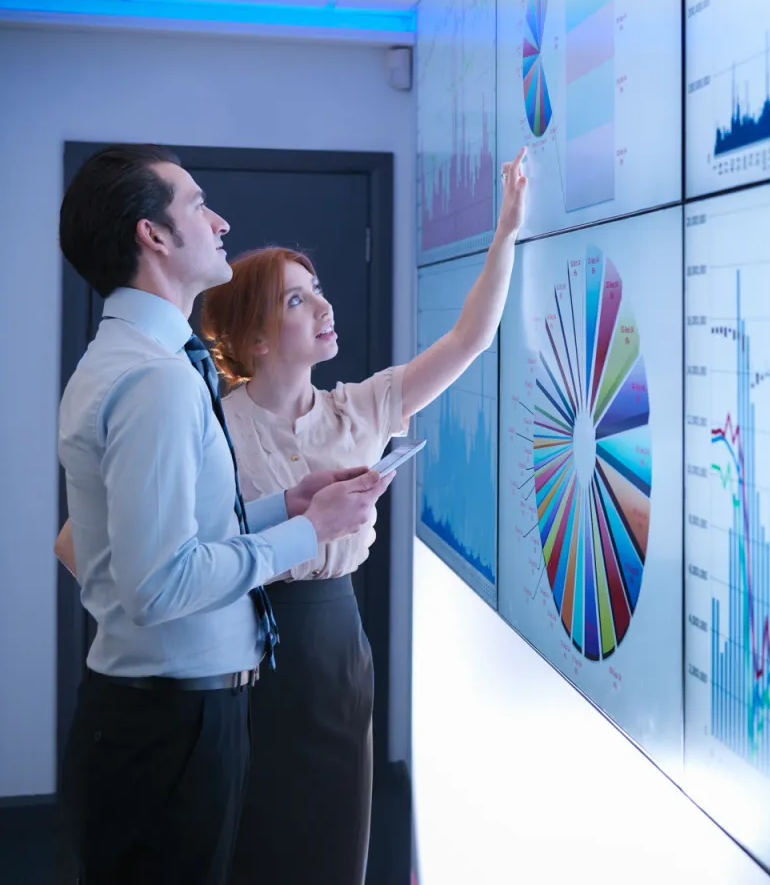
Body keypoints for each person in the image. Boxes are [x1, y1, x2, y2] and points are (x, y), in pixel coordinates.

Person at [55, 144, 393, 885]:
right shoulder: (158, 381)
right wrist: (309, 531)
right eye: (198, 204)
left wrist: (284, 505)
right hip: (170, 727)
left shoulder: (135, 361)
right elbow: (160, 584)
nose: (220, 220)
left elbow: (167, 540)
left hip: (158, 716)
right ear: (154, 236)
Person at [202, 147, 527, 885]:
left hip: (336, 644)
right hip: (239, 645)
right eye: (296, 300)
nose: (324, 307)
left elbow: (469, 339)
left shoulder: (362, 407)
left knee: (332, 835)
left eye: (317, 291)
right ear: (255, 338)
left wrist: (505, 232)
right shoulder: (213, 425)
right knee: (253, 839)